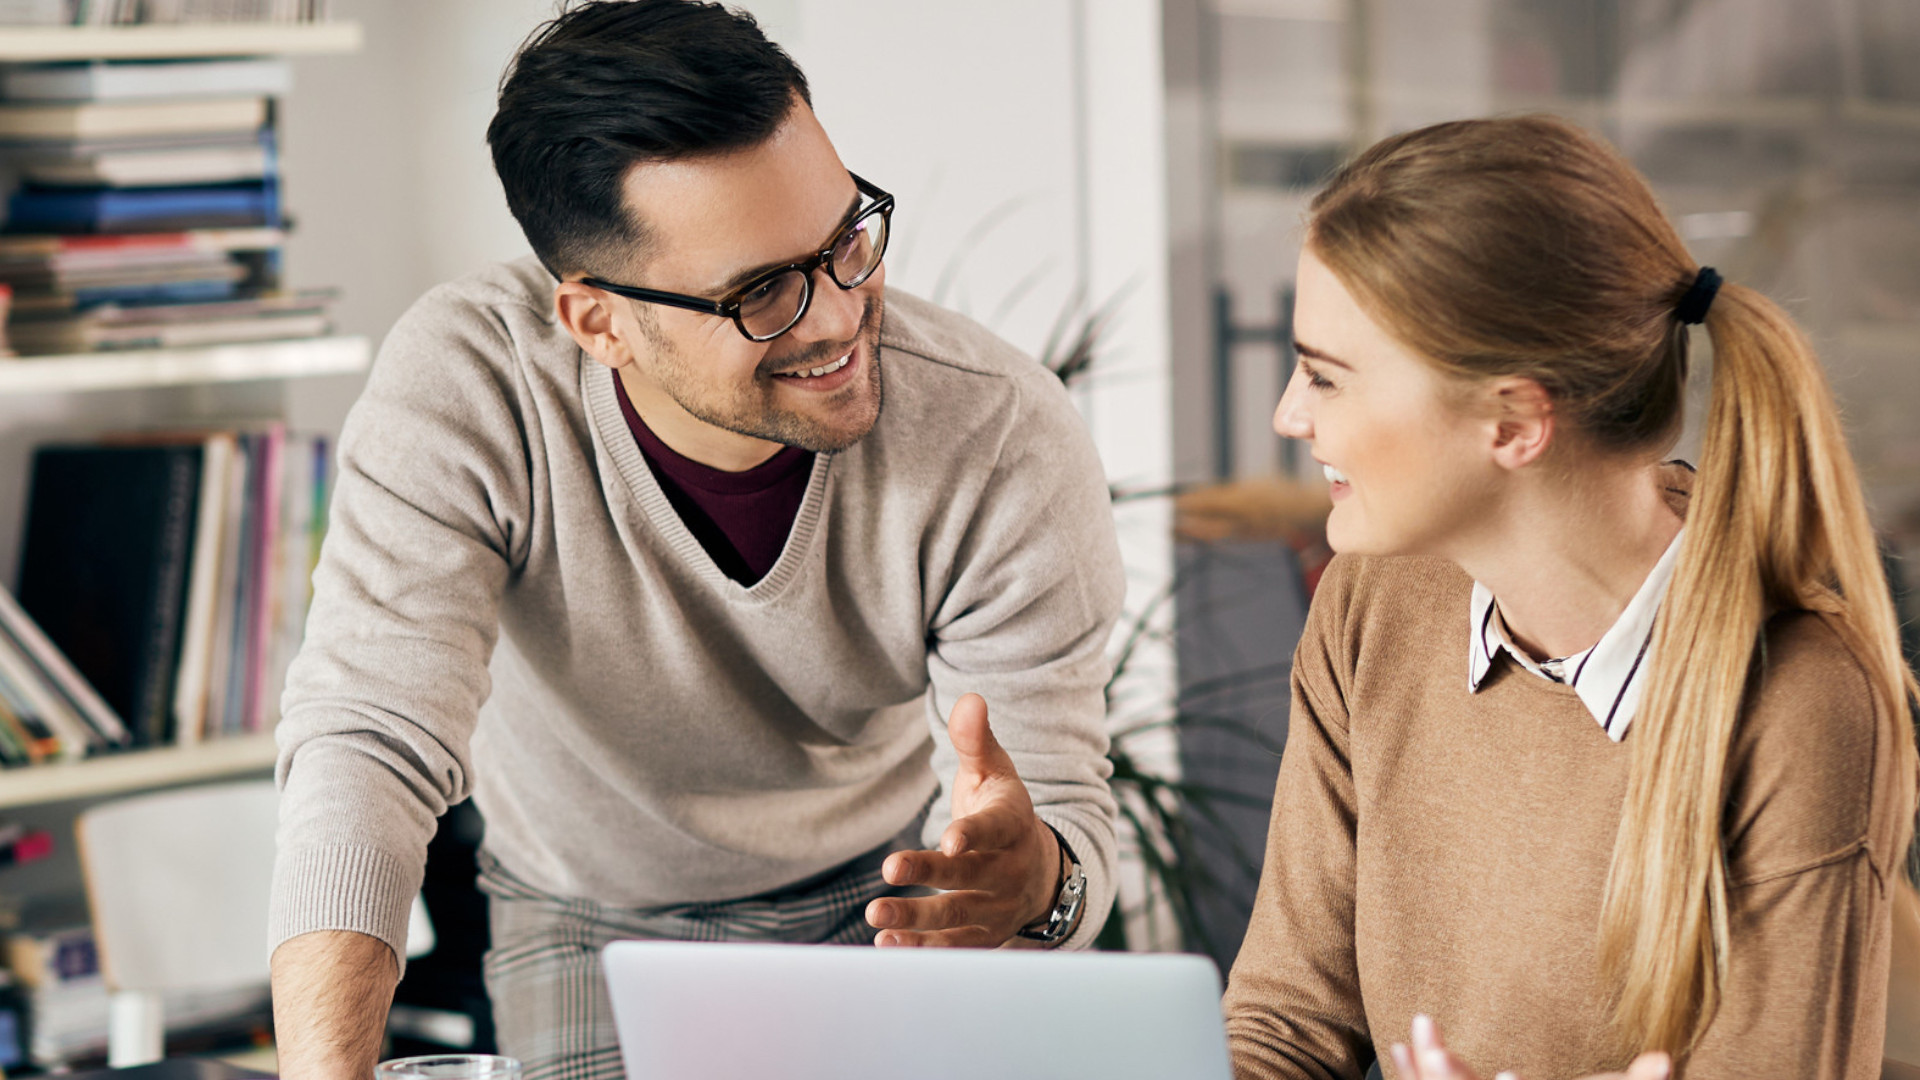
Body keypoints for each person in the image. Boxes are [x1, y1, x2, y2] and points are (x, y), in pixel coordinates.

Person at [266, 4, 1125, 1079]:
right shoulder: (468, 387)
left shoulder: (996, 431)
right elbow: (368, 739)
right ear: (599, 322)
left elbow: (1066, 830)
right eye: (761, 290)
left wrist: (1035, 881)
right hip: (584, 916)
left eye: (846, 238)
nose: (837, 316)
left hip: (888, 896)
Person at [1222, 114, 1918, 1080]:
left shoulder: (1802, 697)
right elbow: (1286, 1025)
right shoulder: (1373, 603)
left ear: (1512, 423)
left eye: (1325, 377)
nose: (1289, 415)